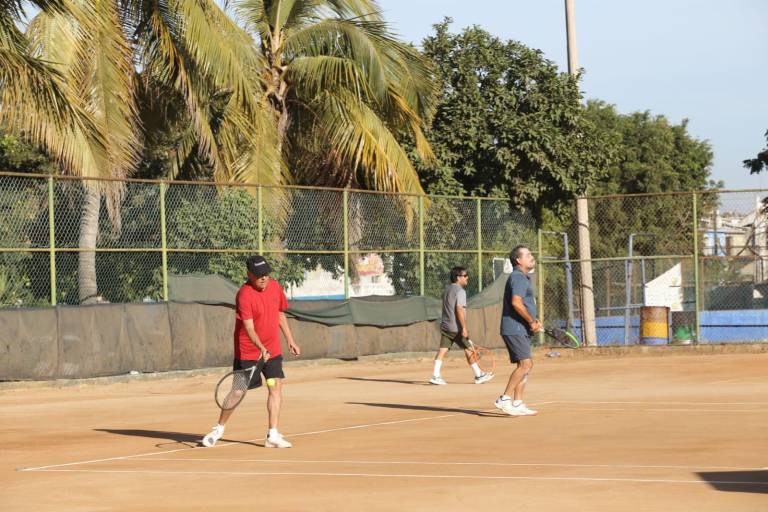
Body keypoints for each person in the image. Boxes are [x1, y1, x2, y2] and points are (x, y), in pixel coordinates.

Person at [202, 255, 301, 448]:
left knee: (275, 386)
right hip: (248, 352)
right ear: (249, 274)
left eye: (266, 273)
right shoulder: (244, 295)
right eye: (258, 275)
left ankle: (272, 434)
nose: (264, 278)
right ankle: (219, 429)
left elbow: (280, 314)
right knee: (238, 391)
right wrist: (260, 347)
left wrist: (290, 340)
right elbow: (248, 327)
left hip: (272, 350)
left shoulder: (275, 287)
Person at [494, 245, 540, 416]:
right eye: (527, 255)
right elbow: (516, 302)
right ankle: (504, 399)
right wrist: (530, 320)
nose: (531, 256)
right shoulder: (519, 277)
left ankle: (518, 402)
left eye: (531, 254)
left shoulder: (522, 277)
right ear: (518, 260)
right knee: (526, 364)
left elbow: (524, 304)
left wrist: (534, 321)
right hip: (515, 328)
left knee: (525, 365)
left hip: (520, 327)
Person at [429, 266, 494, 385]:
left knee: (443, 350)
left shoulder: (447, 290)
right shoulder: (460, 291)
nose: (467, 277)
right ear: (458, 277)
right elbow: (459, 309)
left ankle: (435, 375)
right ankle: (479, 376)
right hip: (456, 328)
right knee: (469, 349)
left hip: (446, 326)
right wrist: (463, 328)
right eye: (465, 276)